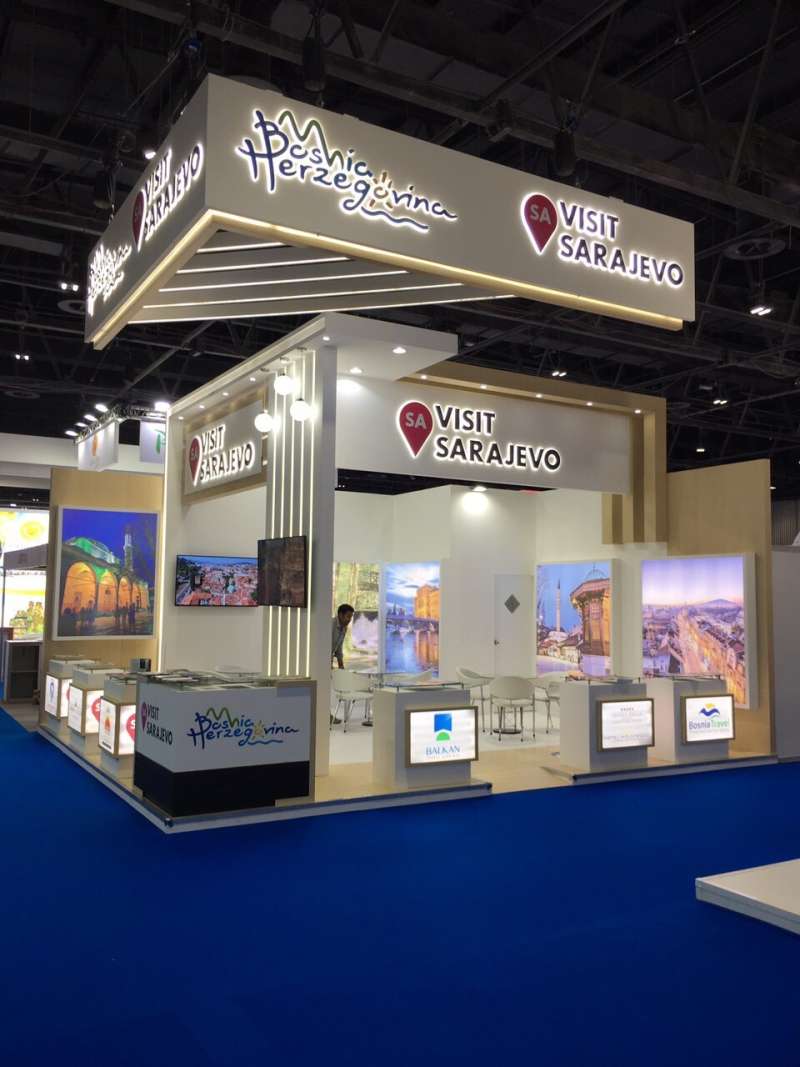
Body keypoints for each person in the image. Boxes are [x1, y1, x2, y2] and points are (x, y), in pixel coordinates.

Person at [331, 604, 354, 725]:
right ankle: (324, 715)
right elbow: (324, 645)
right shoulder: (330, 624)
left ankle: (326, 715)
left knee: (325, 689)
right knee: (322, 688)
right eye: (348, 616)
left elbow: (338, 648)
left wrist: (341, 666)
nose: (349, 620)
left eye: (351, 617)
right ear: (340, 615)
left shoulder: (344, 629)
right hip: (320, 660)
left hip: (328, 660)